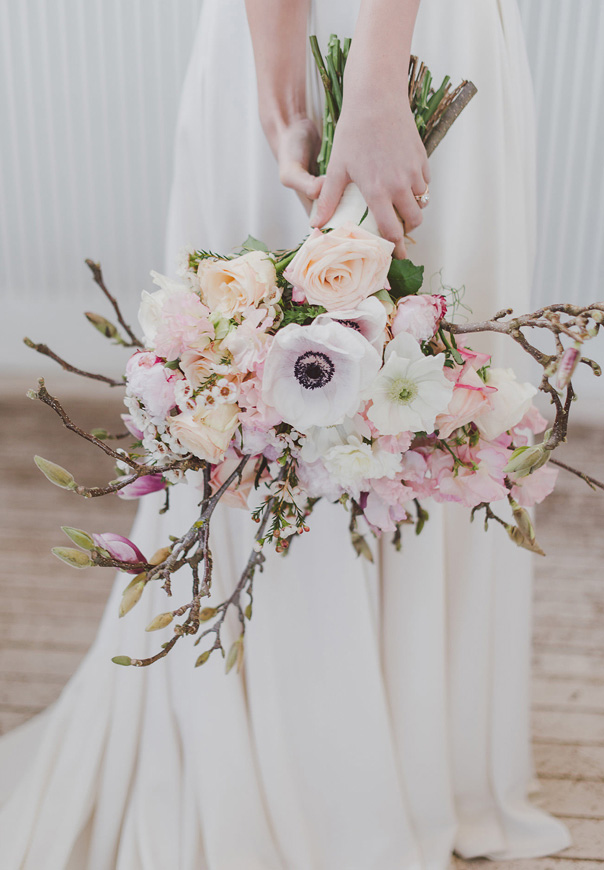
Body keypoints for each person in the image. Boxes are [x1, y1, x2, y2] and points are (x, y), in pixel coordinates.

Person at [0, 1, 572, 867]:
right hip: (332, 42)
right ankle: (333, 763)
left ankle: (385, 758)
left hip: (394, 37)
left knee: (423, 400)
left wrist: (342, 90)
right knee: (245, 389)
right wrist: (297, 102)